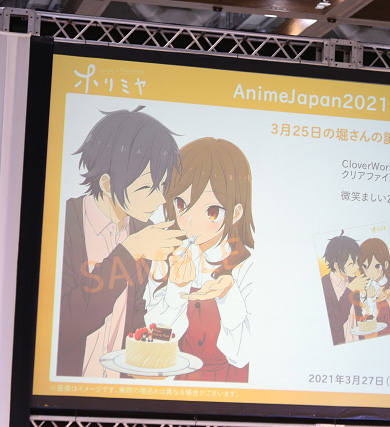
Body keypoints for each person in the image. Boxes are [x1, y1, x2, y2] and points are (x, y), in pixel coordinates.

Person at [58, 106, 184, 377]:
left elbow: (134, 312)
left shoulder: (142, 230)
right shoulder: (64, 223)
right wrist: (130, 251)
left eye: (162, 186)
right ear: (106, 184)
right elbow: (65, 325)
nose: (160, 199)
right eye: (146, 188)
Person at [144, 137, 254, 382]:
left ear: (236, 212)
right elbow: (155, 341)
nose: (191, 221)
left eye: (211, 211)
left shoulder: (246, 266)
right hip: (177, 383)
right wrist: (176, 289)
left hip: (231, 386)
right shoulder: (165, 256)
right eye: (181, 204)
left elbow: (242, 354)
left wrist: (227, 296)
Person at [320, 231, 368, 345]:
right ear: (336, 266)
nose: (357, 267)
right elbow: (335, 322)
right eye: (351, 264)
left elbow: (358, 314)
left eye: (356, 261)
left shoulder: (353, 280)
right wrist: (350, 290)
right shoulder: (324, 285)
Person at [358, 238, 390, 337]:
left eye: (376, 266)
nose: (370, 271)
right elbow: (369, 319)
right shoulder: (365, 288)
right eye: (365, 266)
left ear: (385, 264)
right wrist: (371, 299)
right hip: (381, 336)